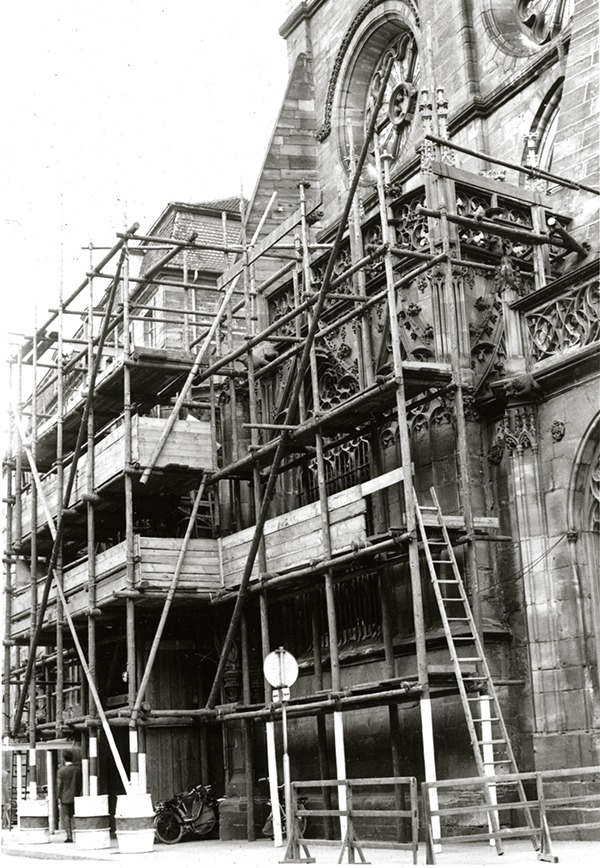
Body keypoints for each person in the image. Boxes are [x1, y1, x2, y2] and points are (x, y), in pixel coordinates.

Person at [56, 750, 82, 843]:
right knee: (73, 816)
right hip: (75, 796)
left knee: (65, 817)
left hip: (64, 798)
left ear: (64, 759)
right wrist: (77, 794)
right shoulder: (78, 770)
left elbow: (59, 785)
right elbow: (80, 784)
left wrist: (58, 797)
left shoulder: (61, 771)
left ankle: (69, 836)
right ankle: (76, 834)